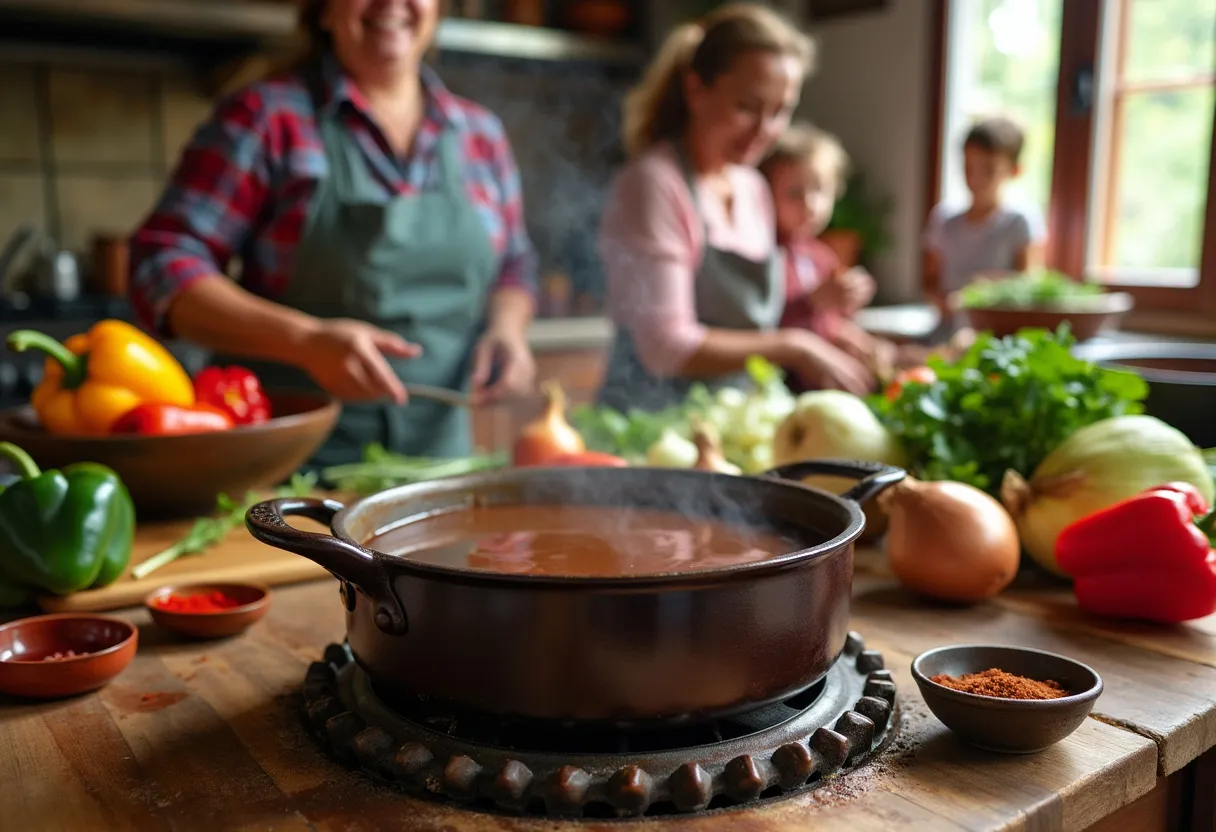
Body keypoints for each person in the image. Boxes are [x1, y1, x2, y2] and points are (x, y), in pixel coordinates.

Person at [127, 0, 538, 469]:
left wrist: (508, 329)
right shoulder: (267, 118)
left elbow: (515, 263)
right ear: (322, 11)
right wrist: (305, 341)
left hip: (440, 472)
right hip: (286, 474)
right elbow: (160, 264)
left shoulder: (480, 134)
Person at [595, 3, 875, 412]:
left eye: (780, 111)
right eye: (746, 107)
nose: (765, 132)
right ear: (696, 90)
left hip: (731, 417)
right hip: (650, 426)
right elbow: (665, 347)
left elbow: (758, 323)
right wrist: (795, 346)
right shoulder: (656, 183)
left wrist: (823, 319)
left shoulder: (753, 188)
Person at [758, 122, 896, 390]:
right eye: (794, 193)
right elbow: (759, 328)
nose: (810, 204)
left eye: (820, 190)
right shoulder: (764, 253)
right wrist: (810, 302)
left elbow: (828, 324)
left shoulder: (821, 256)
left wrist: (850, 326)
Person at [922, 115, 1047, 319]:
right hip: (948, 328)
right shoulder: (944, 219)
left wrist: (986, 288)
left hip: (998, 331)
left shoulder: (1019, 221)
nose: (975, 178)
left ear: (1014, 171)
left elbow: (1029, 284)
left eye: (988, 170)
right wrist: (944, 303)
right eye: (968, 168)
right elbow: (930, 281)